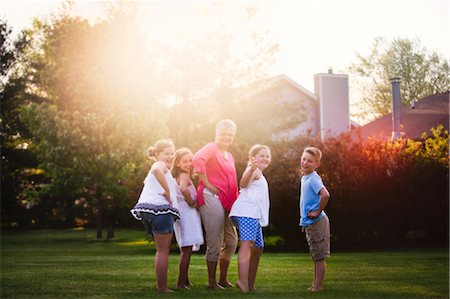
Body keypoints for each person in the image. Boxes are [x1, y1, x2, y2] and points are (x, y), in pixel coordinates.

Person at [192, 119, 239, 289]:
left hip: (227, 203)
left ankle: (222, 279)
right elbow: (197, 159)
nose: (227, 137)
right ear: (216, 134)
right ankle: (212, 282)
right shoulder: (212, 147)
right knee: (215, 240)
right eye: (223, 133)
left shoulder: (230, 156)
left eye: (230, 134)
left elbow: (232, 182)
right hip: (210, 197)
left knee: (232, 240)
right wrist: (207, 183)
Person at [130, 139, 179, 293]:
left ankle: (161, 286)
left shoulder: (165, 169)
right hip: (160, 210)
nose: (170, 156)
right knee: (163, 251)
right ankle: (162, 287)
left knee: (160, 250)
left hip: (148, 211)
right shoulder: (160, 165)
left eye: (172, 153)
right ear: (157, 154)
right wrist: (168, 191)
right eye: (167, 153)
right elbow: (157, 170)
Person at [229, 144, 271, 293]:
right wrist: (252, 168)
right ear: (253, 158)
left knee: (258, 248)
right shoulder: (253, 170)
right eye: (262, 155)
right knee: (247, 244)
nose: (265, 158)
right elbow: (243, 183)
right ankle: (242, 281)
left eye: (267, 156)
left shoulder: (259, 172)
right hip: (247, 211)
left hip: (254, 214)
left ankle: (250, 284)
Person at [298, 146, 331, 292]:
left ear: (317, 164)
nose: (305, 163)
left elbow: (325, 195)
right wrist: (304, 222)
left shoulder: (313, 179)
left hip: (317, 222)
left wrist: (318, 211)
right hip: (311, 223)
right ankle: (315, 285)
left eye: (310, 161)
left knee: (319, 257)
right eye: (304, 159)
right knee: (315, 255)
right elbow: (306, 203)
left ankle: (317, 287)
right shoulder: (305, 177)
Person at [172, 147, 204, 289]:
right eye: (185, 161)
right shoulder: (184, 176)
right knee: (187, 249)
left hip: (183, 214)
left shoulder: (181, 175)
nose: (189, 164)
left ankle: (185, 280)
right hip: (187, 214)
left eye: (191, 160)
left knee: (186, 249)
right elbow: (184, 189)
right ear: (177, 163)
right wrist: (192, 202)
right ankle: (180, 283)